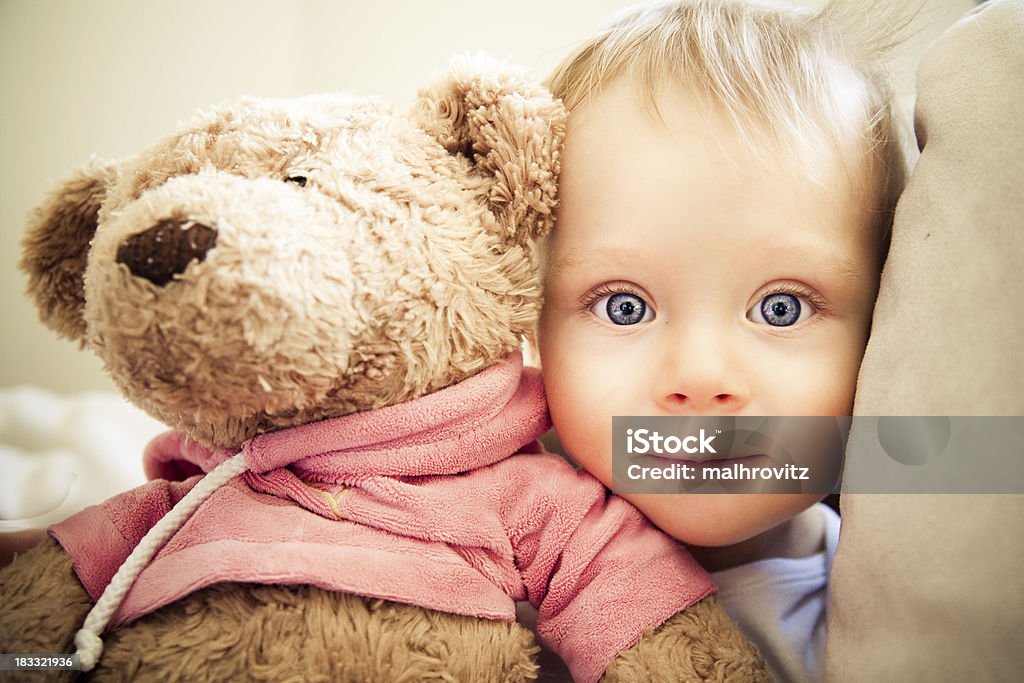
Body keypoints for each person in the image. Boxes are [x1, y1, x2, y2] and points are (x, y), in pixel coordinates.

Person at [534, 1, 911, 680]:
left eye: (782, 306)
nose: (702, 375)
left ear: (884, 322)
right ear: (531, 327)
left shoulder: (921, 598)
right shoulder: (497, 587)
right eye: (624, 306)